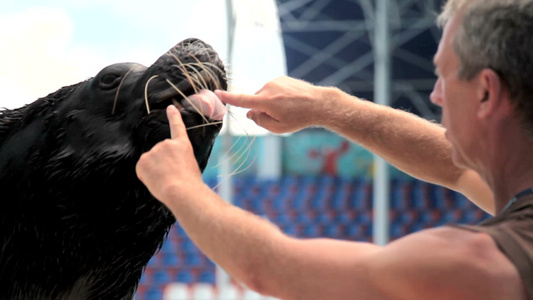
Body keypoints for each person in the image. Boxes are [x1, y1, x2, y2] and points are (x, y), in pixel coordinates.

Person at [136, 0, 533, 299]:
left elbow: (272, 270)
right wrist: (326, 107)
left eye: (445, 77)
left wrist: (182, 187)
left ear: (485, 92)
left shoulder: (483, 265)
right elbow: (451, 167)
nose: (435, 95)